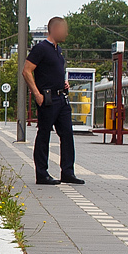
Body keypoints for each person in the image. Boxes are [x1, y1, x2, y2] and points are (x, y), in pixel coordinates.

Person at [23, 16, 84, 185]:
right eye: (63, 29)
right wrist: (36, 93)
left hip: (61, 97)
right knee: (44, 134)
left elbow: (53, 71)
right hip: (47, 98)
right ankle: (42, 174)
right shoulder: (41, 48)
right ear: (55, 29)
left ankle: (67, 172)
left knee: (67, 134)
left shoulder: (59, 50)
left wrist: (63, 82)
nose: (66, 32)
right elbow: (27, 71)